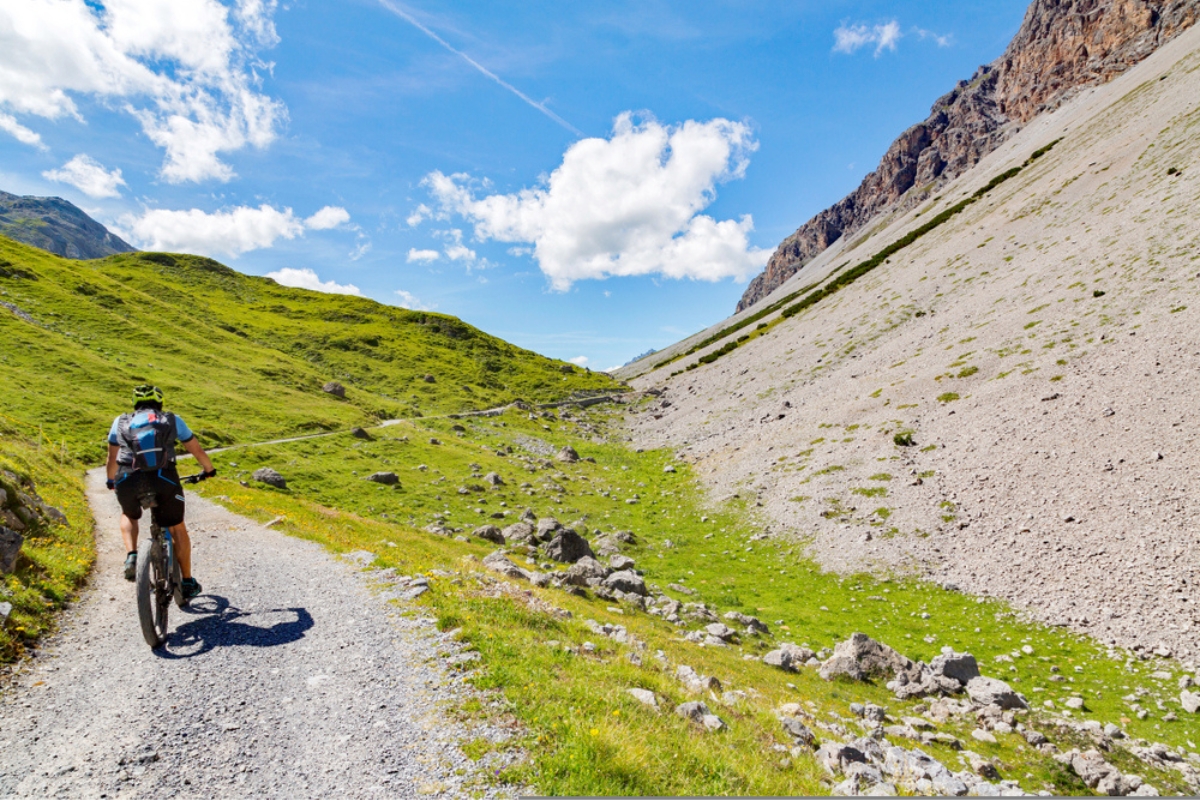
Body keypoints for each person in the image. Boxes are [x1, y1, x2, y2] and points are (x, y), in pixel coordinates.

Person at [105, 385, 216, 600]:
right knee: (176, 527)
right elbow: (197, 450)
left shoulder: (120, 422)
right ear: (160, 402)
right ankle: (187, 581)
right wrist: (208, 470)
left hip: (128, 477)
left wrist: (111, 480)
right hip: (164, 478)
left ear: (134, 403)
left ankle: (132, 555)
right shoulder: (172, 420)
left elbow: (111, 459)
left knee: (129, 514)